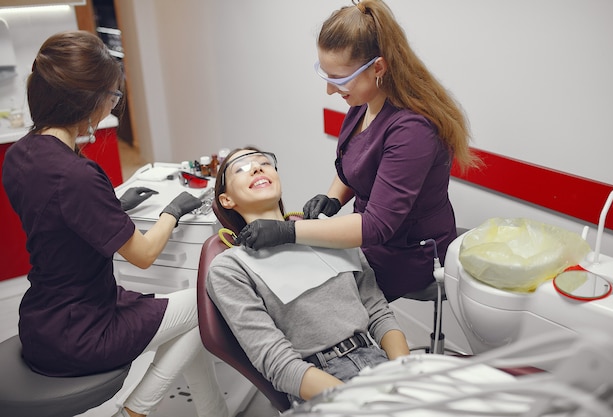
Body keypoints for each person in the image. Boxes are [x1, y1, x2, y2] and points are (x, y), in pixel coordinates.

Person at [1, 31, 227, 417]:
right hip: (82, 333)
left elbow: (56, 219)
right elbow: (142, 255)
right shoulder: (78, 175)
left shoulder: (20, 155)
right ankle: (135, 410)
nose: (112, 103)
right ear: (87, 101)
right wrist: (174, 210)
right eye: (112, 95)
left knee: (188, 319)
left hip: (41, 320)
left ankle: (215, 412)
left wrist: (108, 209)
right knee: (208, 303)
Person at [235, 0, 480, 301]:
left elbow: (377, 225)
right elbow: (357, 166)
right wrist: (333, 198)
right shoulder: (364, 103)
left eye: (339, 79)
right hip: (369, 240)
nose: (329, 90)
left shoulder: (413, 130)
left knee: (321, 303)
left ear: (378, 67)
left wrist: (289, 233)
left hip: (408, 253)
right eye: (326, 75)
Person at [207, 147, 410, 403]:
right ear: (226, 200)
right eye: (242, 168)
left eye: (264, 162)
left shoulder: (329, 232)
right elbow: (278, 364)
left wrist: (405, 372)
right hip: (319, 384)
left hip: (378, 362)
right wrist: (357, 401)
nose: (257, 168)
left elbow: (378, 312)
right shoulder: (231, 268)